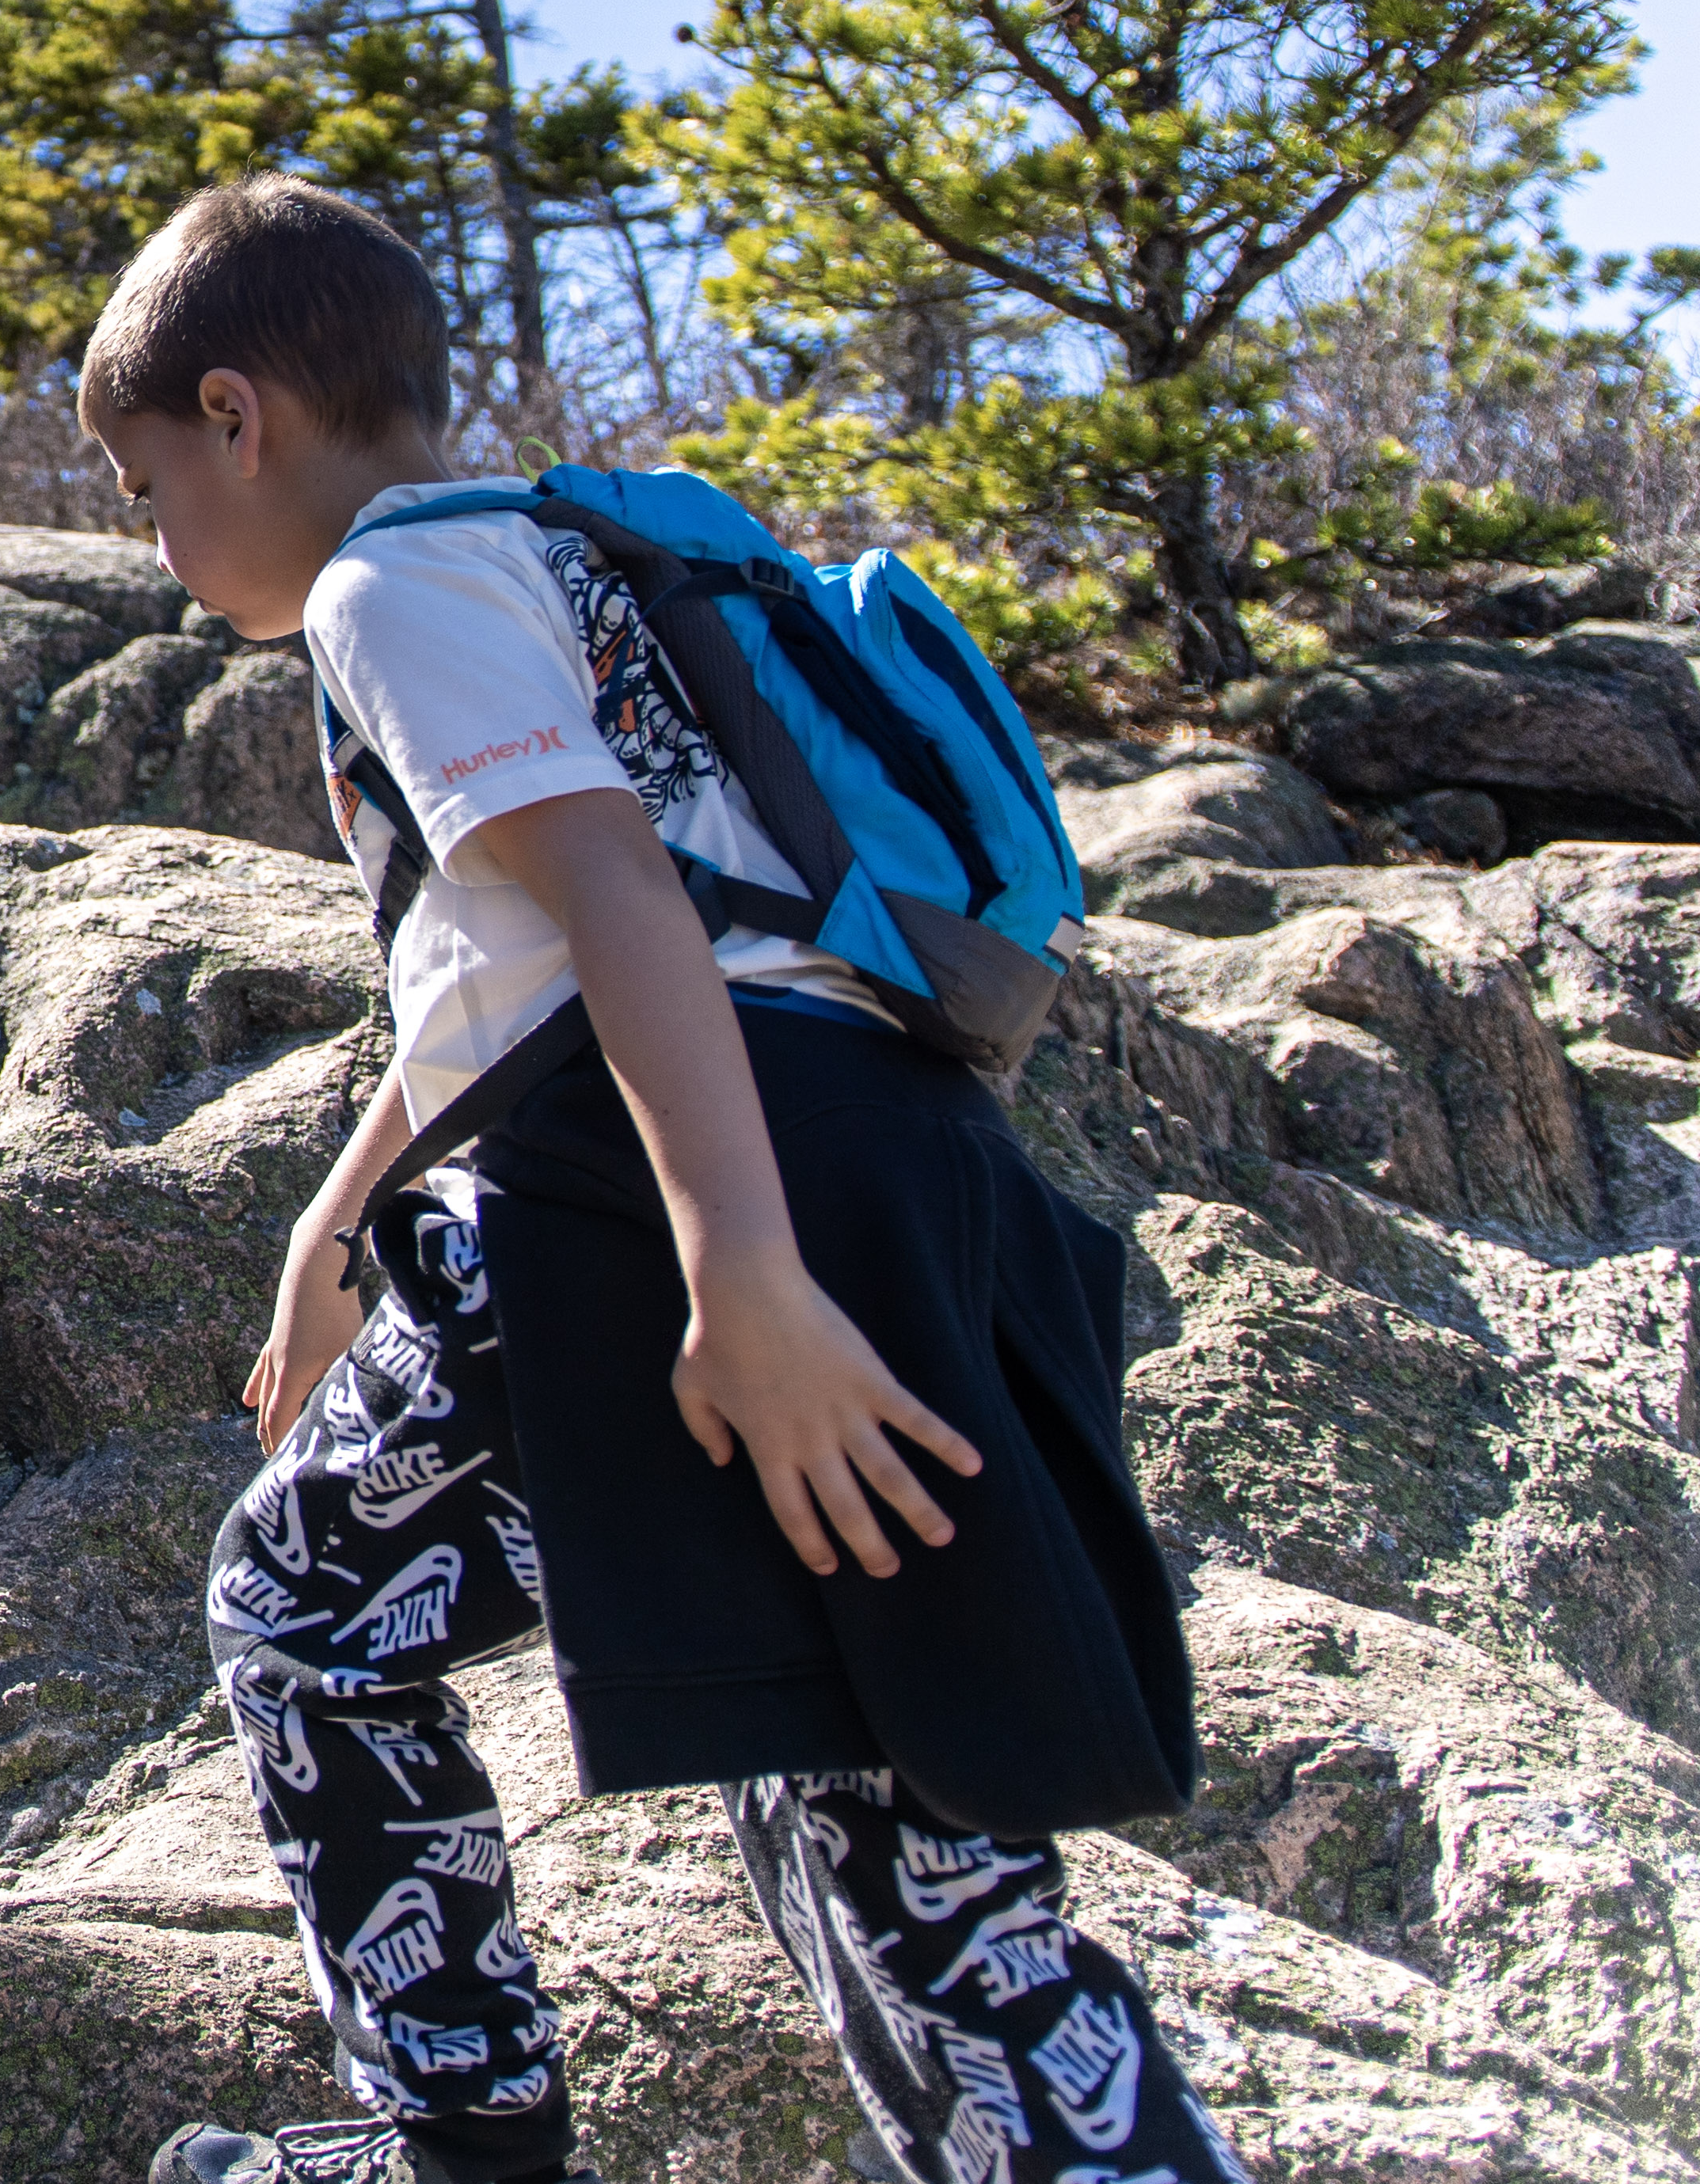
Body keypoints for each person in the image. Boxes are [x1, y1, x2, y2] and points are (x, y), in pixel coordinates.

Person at [78, 178, 1239, 2184]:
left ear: (240, 412)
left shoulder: (384, 591)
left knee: (302, 1609)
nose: (152, 532)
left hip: (677, 1202)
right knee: (884, 1769)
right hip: (899, 1160)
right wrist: (334, 1219)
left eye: (144, 474)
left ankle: (462, 2143)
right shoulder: (570, 542)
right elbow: (526, 976)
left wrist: (744, 1283)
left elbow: (621, 901)